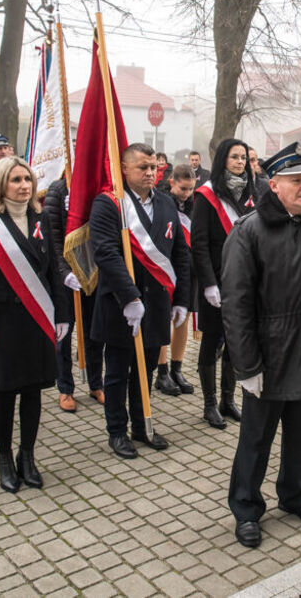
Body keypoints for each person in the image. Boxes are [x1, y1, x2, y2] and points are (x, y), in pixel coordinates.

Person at [221, 142, 301, 548]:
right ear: (273, 185)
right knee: (256, 439)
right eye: (297, 181)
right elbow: (236, 306)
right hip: (270, 356)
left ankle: (295, 496)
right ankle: (246, 507)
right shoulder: (251, 231)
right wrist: (247, 366)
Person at [0, 157, 69, 492]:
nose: (24, 186)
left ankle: (28, 455)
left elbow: (54, 269)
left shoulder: (42, 217)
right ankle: (5, 458)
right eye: (16, 180)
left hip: (37, 319)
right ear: (0, 184)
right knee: (6, 394)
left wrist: (62, 314)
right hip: (3, 322)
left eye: (28, 179)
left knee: (33, 391)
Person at [89, 143, 190, 459]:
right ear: (124, 169)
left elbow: (179, 253)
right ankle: (117, 431)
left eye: (153, 167)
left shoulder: (165, 202)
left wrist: (182, 298)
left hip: (157, 302)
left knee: (145, 370)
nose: (150, 172)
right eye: (142, 167)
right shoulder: (109, 205)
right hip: (122, 305)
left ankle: (142, 424)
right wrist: (130, 297)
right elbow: (105, 252)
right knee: (118, 372)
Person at [192, 139, 257, 428]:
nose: (240, 162)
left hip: (243, 282)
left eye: (244, 157)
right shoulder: (206, 195)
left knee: (235, 342)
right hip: (216, 283)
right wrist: (208, 283)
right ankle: (209, 404)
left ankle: (228, 400)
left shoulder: (252, 192)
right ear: (223, 160)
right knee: (211, 341)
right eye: (234, 157)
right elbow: (200, 243)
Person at [44, 175, 105, 412]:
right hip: (66, 279)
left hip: (92, 273)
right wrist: (64, 272)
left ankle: (96, 383)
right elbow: (53, 235)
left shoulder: (97, 185)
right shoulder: (58, 189)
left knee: (94, 333)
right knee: (64, 335)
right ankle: (65, 388)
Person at [154, 164, 198, 396]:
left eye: (191, 189)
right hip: (166, 268)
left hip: (188, 270)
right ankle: (162, 372)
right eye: (183, 188)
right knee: (165, 318)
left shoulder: (195, 204)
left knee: (183, 319)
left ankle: (177, 368)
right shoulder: (160, 201)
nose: (187, 193)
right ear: (172, 182)